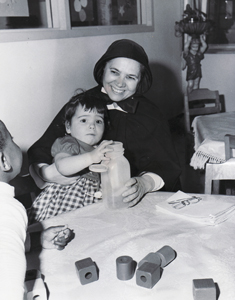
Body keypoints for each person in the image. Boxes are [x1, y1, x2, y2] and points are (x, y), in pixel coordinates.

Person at [28, 39, 181, 207]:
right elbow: (41, 149)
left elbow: (167, 165)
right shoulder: (82, 104)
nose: (120, 83)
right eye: (114, 72)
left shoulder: (151, 114)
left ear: (139, 81)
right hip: (80, 200)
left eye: (130, 77)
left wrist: (145, 183)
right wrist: (49, 173)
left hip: (134, 201)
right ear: (103, 71)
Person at [0, 120, 73, 300]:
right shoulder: (8, 207)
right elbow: (9, 281)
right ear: (3, 160)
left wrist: (36, 240)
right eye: (13, 140)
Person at [28, 90, 113, 223]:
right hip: (63, 204)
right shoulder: (69, 142)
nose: (92, 126)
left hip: (88, 204)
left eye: (98, 121)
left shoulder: (98, 150)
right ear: (68, 127)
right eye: (84, 120)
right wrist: (92, 157)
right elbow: (62, 166)